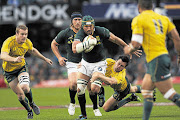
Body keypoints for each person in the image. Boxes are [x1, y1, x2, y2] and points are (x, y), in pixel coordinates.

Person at [72, 15, 141, 120]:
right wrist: (88, 43)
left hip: (99, 63)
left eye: (91, 26)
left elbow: (114, 39)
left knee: (94, 89)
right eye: (86, 26)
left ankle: (100, 92)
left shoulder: (100, 31)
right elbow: (74, 49)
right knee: (80, 90)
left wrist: (127, 46)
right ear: (82, 27)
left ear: (93, 25)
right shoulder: (80, 34)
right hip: (86, 63)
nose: (89, 28)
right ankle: (84, 116)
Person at [123, 0, 180, 120]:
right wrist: (179, 55)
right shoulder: (164, 19)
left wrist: (129, 49)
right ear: (152, 7)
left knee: (168, 93)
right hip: (162, 57)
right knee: (146, 89)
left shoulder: (139, 19)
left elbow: (136, 43)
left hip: (156, 59)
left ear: (139, 7)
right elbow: (176, 37)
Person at [51, 12, 102, 116]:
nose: (78, 22)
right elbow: (53, 44)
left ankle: (95, 107)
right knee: (73, 84)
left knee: (91, 88)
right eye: (75, 20)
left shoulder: (88, 32)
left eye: (79, 20)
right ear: (72, 22)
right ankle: (72, 102)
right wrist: (59, 57)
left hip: (86, 63)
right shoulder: (66, 33)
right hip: (72, 63)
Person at [0, 25, 53, 119]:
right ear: (16, 34)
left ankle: (32, 103)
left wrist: (45, 59)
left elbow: (33, 50)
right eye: (22, 34)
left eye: (26, 34)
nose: (24, 36)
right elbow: (3, 56)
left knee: (24, 86)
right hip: (9, 72)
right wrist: (14, 59)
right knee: (20, 95)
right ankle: (29, 110)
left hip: (21, 68)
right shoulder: (9, 42)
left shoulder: (27, 42)